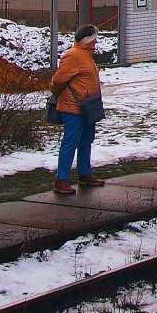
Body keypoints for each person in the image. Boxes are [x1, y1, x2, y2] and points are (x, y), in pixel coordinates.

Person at [50, 24, 105, 195]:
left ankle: (85, 173)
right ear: (87, 40)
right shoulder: (73, 55)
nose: (96, 42)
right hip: (73, 107)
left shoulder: (86, 55)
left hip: (88, 107)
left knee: (86, 140)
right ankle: (61, 180)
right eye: (94, 39)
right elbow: (58, 81)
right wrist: (62, 95)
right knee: (71, 142)